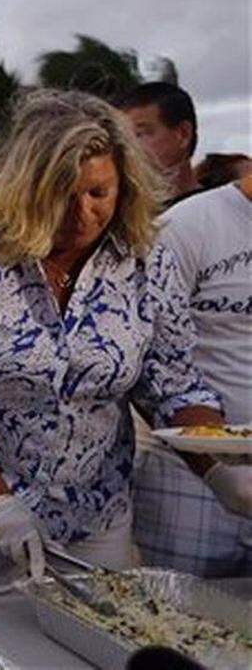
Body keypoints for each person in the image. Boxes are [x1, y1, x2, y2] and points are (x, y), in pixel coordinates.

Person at [0, 89, 243, 591]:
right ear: (28, 186)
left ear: (123, 186)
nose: (82, 212)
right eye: (61, 193)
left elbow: (172, 385)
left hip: (95, 510)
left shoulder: (147, 262)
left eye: (98, 193)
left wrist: (219, 470)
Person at [133, 171, 252, 576]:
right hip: (189, 479)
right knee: (182, 626)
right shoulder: (187, 227)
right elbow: (146, 361)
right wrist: (213, 468)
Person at [119, 82, 201, 205]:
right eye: (124, 137)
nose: (129, 148)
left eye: (140, 134)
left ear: (183, 134)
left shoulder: (217, 210)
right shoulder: (120, 216)